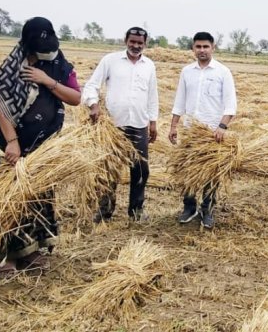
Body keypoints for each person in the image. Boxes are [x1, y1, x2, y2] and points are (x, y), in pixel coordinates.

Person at [0, 16, 81, 278]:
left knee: (39, 199)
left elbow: (76, 97)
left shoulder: (58, 65)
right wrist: (12, 142)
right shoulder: (11, 67)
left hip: (45, 147)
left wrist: (46, 80)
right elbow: (2, 109)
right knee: (10, 201)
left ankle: (31, 252)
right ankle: (9, 257)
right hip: (13, 148)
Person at [83, 26, 159, 223]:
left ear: (145, 44)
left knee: (141, 169)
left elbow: (152, 95)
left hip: (139, 124)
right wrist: (94, 105)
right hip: (113, 125)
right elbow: (92, 85)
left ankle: (136, 210)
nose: (136, 46)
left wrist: (153, 122)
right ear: (126, 41)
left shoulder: (149, 65)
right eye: (132, 41)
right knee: (109, 168)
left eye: (140, 43)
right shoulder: (110, 60)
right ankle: (105, 210)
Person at [169, 32, 237, 229]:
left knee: (212, 174)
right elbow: (180, 100)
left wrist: (222, 127)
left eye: (205, 46)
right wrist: (173, 125)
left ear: (213, 48)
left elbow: (230, 105)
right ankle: (189, 208)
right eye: (198, 47)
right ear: (193, 48)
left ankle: (207, 210)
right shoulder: (187, 72)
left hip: (212, 133)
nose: (202, 50)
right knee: (187, 171)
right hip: (190, 131)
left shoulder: (222, 72)